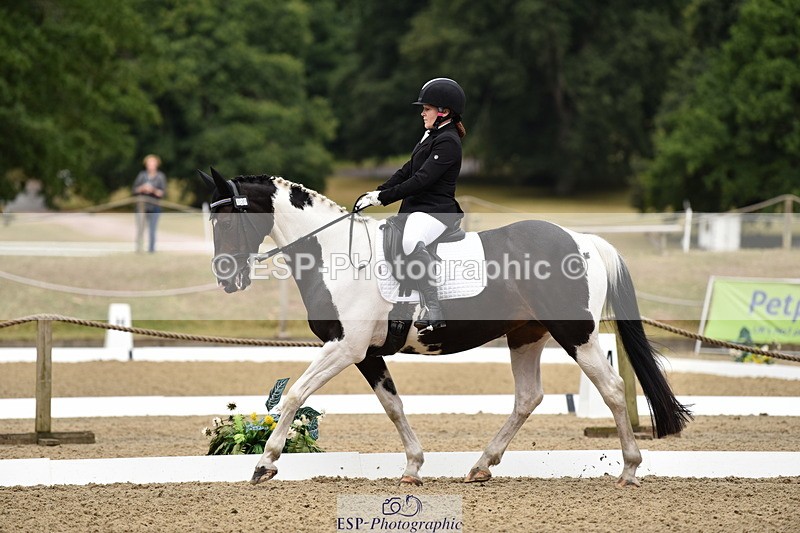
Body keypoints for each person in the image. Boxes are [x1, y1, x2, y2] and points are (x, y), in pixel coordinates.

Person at [356, 77, 467, 331]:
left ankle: (434, 307)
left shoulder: (448, 141)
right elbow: (408, 170)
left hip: (436, 212)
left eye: (426, 108)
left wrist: (384, 199)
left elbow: (422, 180)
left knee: (409, 241)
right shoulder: (431, 136)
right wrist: (377, 192)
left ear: (444, 111)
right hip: (418, 210)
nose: (422, 113)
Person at [132, 154, 166, 253]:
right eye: (149, 163)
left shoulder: (160, 177)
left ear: (157, 164)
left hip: (155, 206)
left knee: (152, 229)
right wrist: (143, 188)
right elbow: (134, 190)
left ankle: (151, 249)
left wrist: (152, 190)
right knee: (140, 228)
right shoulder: (142, 175)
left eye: (153, 163)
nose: (151, 165)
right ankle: (139, 248)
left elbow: (162, 193)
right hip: (142, 206)